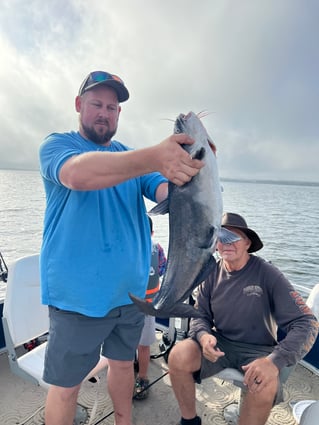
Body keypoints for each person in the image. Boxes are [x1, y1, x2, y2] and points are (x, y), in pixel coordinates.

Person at [39, 70, 204, 425]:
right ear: (79, 105)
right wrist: (154, 156)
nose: (105, 112)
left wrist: (195, 168)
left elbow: (169, 193)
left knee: (122, 365)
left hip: (130, 297)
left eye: (112, 107)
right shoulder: (57, 146)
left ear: (119, 114)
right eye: (97, 104)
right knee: (66, 386)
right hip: (77, 298)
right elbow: (78, 176)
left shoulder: (132, 158)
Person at [168, 212, 319, 425]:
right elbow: (200, 314)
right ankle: (189, 420)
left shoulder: (268, 274)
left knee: (264, 383)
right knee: (178, 355)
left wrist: (274, 361)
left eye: (233, 237)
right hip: (220, 342)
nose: (226, 243)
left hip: (259, 350)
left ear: (248, 243)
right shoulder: (210, 272)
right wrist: (202, 336)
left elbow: (307, 322)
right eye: (220, 238)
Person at [134, 216, 167, 399]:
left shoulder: (124, 248)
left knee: (129, 343)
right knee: (144, 345)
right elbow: (162, 270)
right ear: (152, 233)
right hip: (148, 306)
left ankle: (138, 371)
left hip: (129, 306)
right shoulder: (158, 249)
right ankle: (143, 378)